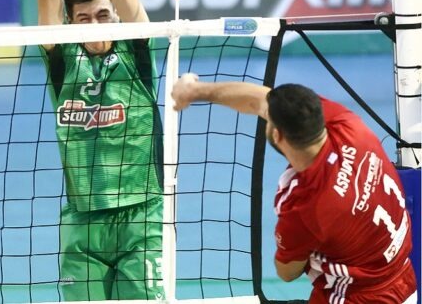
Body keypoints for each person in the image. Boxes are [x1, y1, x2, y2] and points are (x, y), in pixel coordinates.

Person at [18, 0, 164, 301]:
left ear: (115, 15)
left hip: (142, 214)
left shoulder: (136, 52)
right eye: (83, 19)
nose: (95, 25)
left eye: (103, 15)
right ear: (70, 23)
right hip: (82, 219)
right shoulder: (62, 60)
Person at [171, 75, 418, 303]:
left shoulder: (305, 206)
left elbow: (287, 272)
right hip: (404, 277)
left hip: (356, 297)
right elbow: (260, 100)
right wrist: (195, 91)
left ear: (278, 136)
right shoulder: (346, 123)